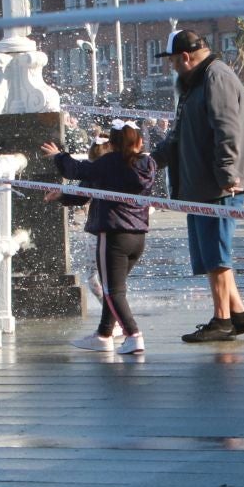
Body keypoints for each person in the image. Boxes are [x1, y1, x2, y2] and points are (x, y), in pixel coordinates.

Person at [151, 28, 244, 343]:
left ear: (185, 57)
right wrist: (153, 159)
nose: (172, 68)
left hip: (217, 186)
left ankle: (222, 320)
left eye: (173, 62)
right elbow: (179, 134)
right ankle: (239, 316)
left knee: (216, 254)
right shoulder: (197, 82)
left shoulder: (216, 78)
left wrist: (229, 174)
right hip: (202, 185)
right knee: (211, 254)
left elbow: (227, 129)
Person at [43, 122, 157, 354]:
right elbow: (88, 189)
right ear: (139, 142)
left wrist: (58, 156)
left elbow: (75, 170)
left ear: (113, 144)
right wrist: (64, 196)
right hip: (138, 235)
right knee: (113, 288)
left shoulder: (108, 163)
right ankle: (104, 334)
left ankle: (133, 335)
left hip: (113, 234)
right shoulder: (148, 164)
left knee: (112, 290)